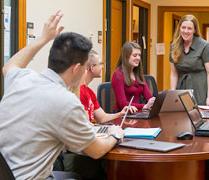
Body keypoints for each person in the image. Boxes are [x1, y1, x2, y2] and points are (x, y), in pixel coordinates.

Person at [0, 11, 124, 179]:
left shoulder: (22, 78)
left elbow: (9, 66)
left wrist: (44, 38)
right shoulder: (66, 102)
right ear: (76, 69)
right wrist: (115, 135)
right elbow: (97, 151)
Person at [170, 14, 209, 105]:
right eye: (183, 27)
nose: (186, 31)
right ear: (179, 28)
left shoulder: (204, 46)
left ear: (194, 30)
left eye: (189, 28)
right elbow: (174, 74)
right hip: (182, 90)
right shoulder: (174, 46)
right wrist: (172, 94)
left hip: (201, 90)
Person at [80, 50, 130, 123]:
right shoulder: (80, 92)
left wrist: (120, 113)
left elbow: (102, 118)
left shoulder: (89, 92)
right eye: (100, 64)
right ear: (92, 67)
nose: (102, 67)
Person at [112, 42, 155, 112]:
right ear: (126, 57)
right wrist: (144, 106)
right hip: (124, 116)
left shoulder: (137, 73)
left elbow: (149, 97)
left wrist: (153, 101)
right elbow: (122, 104)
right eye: (135, 55)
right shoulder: (118, 75)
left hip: (138, 113)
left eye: (139, 55)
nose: (138, 58)